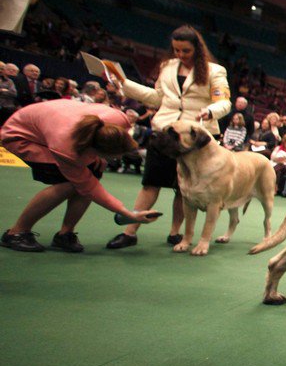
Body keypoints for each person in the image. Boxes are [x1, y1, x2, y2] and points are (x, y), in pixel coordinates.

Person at [106, 25, 231, 249]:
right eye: (176, 50)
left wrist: (211, 111)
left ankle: (176, 233)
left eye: (186, 51)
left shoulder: (215, 71)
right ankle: (130, 232)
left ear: (198, 50)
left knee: (185, 190)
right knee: (150, 183)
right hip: (166, 132)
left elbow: (224, 102)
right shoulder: (167, 66)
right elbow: (157, 98)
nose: (180, 55)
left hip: (195, 140)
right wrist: (125, 85)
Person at [1, 100, 160, 252]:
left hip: (54, 124)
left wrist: (98, 158)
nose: (117, 159)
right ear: (96, 149)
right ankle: (16, 233)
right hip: (21, 135)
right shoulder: (66, 149)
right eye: (114, 157)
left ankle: (65, 234)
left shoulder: (120, 119)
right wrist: (128, 214)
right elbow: (90, 188)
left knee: (92, 173)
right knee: (69, 184)